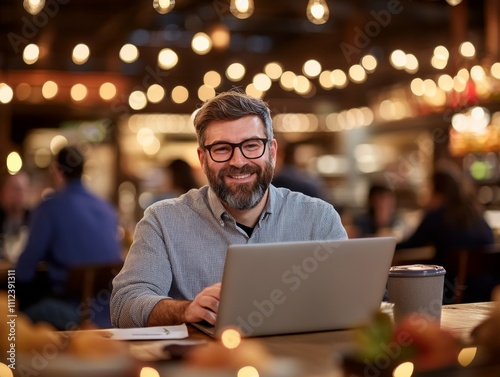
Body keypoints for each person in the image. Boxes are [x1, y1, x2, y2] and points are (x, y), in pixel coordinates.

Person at [111, 90, 347, 328]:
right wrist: (185, 310)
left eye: (252, 145)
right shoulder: (162, 221)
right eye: (222, 149)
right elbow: (124, 307)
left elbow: (351, 301)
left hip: (303, 362)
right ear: (203, 159)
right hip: (205, 363)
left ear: (272, 153)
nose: (238, 161)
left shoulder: (319, 219)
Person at [16, 146, 123, 329]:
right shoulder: (107, 208)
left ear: (56, 171)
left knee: (12, 319)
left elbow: (23, 271)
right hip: (110, 314)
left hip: (73, 314)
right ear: (83, 170)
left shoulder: (49, 207)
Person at [396, 168, 495, 303]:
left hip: (451, 292)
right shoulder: (475, 215)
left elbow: (411, 244)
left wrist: (387, 243)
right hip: (488, 291)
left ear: (436, 191)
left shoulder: (437, 216)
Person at [0, 171, 31, 263]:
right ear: (2, 192)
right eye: (15, 189)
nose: (21, 194)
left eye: (24, 189)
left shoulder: (35, 220)